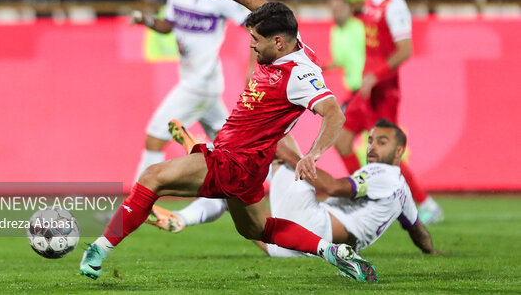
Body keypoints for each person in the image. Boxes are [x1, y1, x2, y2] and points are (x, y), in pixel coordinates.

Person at [80, 0, 379, 283]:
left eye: (256, 40)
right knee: (256, 229)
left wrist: (313, 154)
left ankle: (99, 249)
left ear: (277, 43)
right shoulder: (289, 38)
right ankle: (332, 252)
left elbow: (333, 115)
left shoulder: (299, 76)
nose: (251, 45)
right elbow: (265, 9)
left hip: (234, 161)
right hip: (250, 164)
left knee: (151, 178)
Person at [148, 119, 439, 259]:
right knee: (234, 188)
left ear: (400, 150)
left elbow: (333, 187)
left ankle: (206, 151)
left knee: (277, 139)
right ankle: (183, 217)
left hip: (311, 224)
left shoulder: (382, 174)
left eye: (382, 142)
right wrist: (433, 253)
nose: (372, 147)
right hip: (300, 248)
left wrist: (299, 160)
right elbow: (417, 231)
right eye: (371, 140)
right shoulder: (402, 192)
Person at [334, 0, 444, 225]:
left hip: (384, 91)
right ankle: (361, 197)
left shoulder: (396, 6)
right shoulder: (372, 2)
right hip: (367, 88)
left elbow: (405, 50)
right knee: (342, 141)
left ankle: (427, 203)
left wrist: (376, 76)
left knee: (387, 154)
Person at [131, 0, 249, 182]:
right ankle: (244, 188)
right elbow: (168, 26)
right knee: (229, 147)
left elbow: (255, 26)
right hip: (203, 85)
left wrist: (252, 67)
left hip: (199, 84)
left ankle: (136, 203)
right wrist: (147, 20)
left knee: (154, 138)